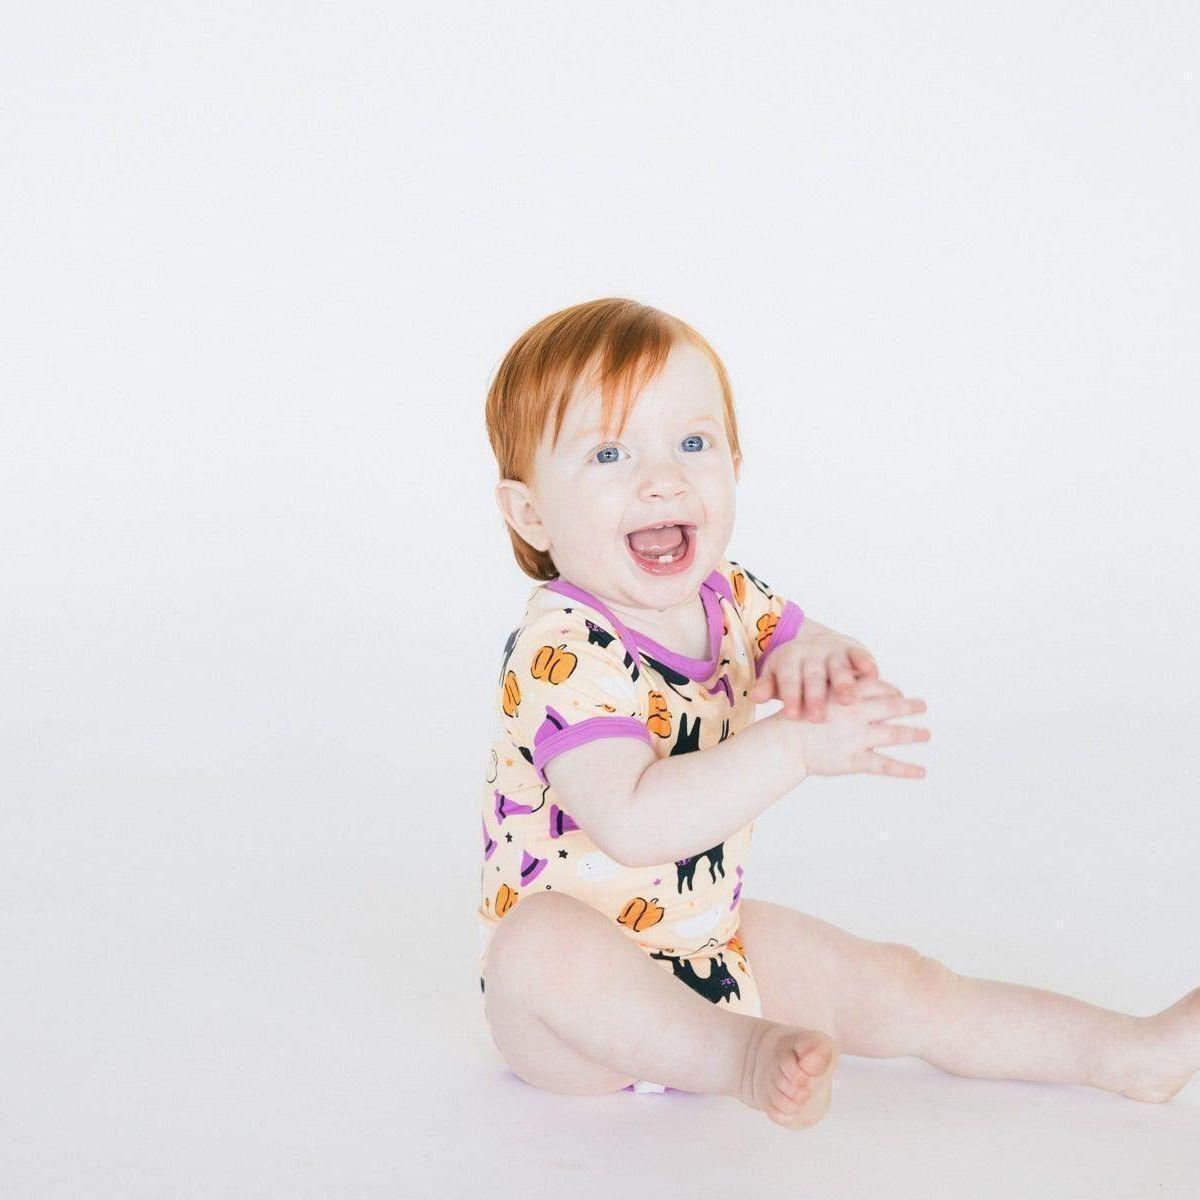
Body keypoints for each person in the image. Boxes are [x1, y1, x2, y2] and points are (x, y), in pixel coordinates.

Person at [476, 297, 1198, 1129]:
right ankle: (738, 1058)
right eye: (609, 453)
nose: (663, 478)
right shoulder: (563, 648)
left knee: (903, 983)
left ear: (734, 461)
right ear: (530, 513)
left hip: (706, 945)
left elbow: (806, 642)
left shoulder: (727, 594)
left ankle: (1128, 1054)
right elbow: (634, 824)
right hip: (572, 1022)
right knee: (540, 945)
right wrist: (793, 747)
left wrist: (822, 662)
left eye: (693, 443)